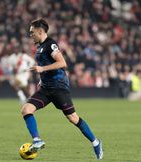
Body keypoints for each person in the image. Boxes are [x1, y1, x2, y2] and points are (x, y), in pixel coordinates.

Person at [21, 19, 103, 159]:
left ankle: (95, 142)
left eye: (32, 32)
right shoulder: (40, 47)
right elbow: (46, 65)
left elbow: (62, 63)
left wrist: (42, 68)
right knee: (26, 109)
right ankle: (37, 140)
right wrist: (41, 79)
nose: (30, 35)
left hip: (59, 88)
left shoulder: (50, 44)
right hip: (46, 88)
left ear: (40, 31)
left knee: (73, 118)